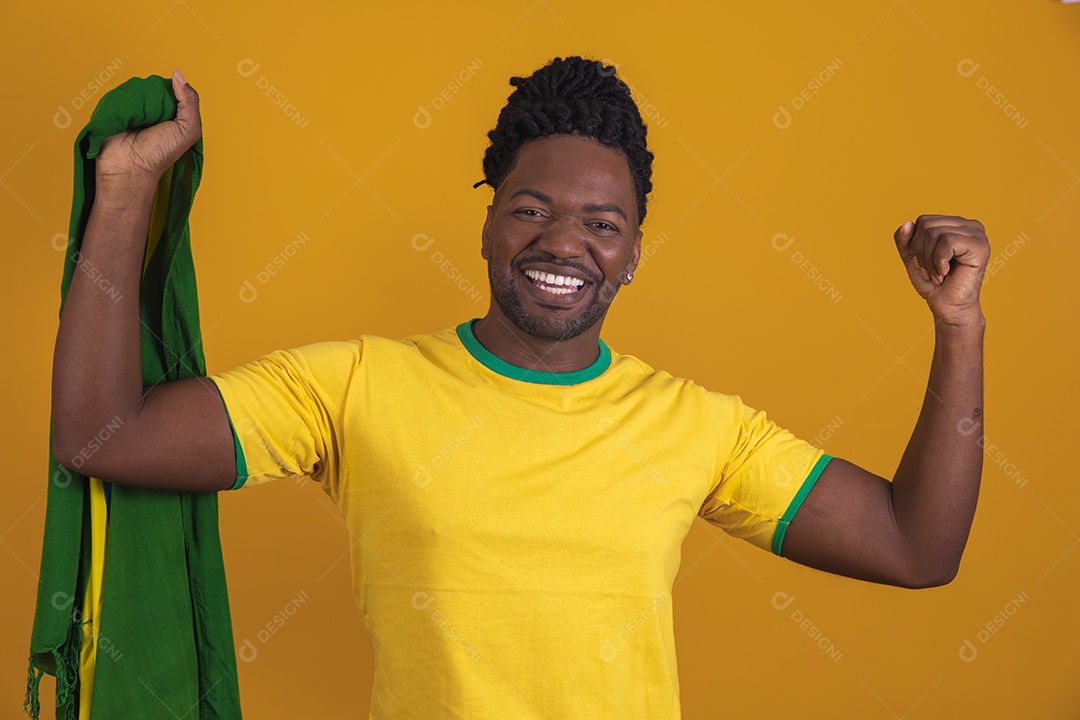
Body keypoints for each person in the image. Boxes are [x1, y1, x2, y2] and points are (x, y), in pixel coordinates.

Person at [51, 56, 988, 718]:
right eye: (531, 210)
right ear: (490, 227)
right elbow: (104, 436)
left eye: (602, 225)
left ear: (631, 259)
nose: (563, 243)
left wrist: (958, 327)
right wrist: (127, 189)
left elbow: (916, 547)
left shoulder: (699, 427)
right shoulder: (354, 387)